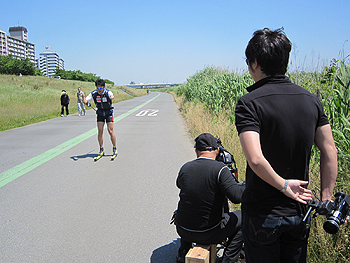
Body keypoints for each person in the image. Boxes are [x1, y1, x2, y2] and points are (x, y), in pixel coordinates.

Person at [234, 28, 338, 263]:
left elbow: (256, 159)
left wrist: (283, 186)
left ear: (255, 63)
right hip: (300, 211)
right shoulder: (311, 100)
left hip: (263, 213)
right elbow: (330, 150)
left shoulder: (249, 103)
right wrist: (326, 197)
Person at [175, 133, 245, 263]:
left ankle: (183, 252)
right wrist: (245, 185)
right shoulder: (220, 169)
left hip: (182, 229)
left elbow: (180, 185)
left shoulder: (185, 167)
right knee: (245, 218)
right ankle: (228, 260)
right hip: (209, 232)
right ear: (217, 150)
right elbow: (236, 197)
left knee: (191, 203)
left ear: (196, 151)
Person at [84, 79, 117, 158]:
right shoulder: (94, 93)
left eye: (100, 88)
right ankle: (101, 149)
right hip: (100, 113)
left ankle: (114, 148)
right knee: (100, 131)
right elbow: (85, 99)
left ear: (104, 87)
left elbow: (111, 95)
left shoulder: (107, 92)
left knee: (110, 131)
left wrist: (112, 97)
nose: (99, 90)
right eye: (97, 88)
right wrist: (86, 102)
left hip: (108, 112)